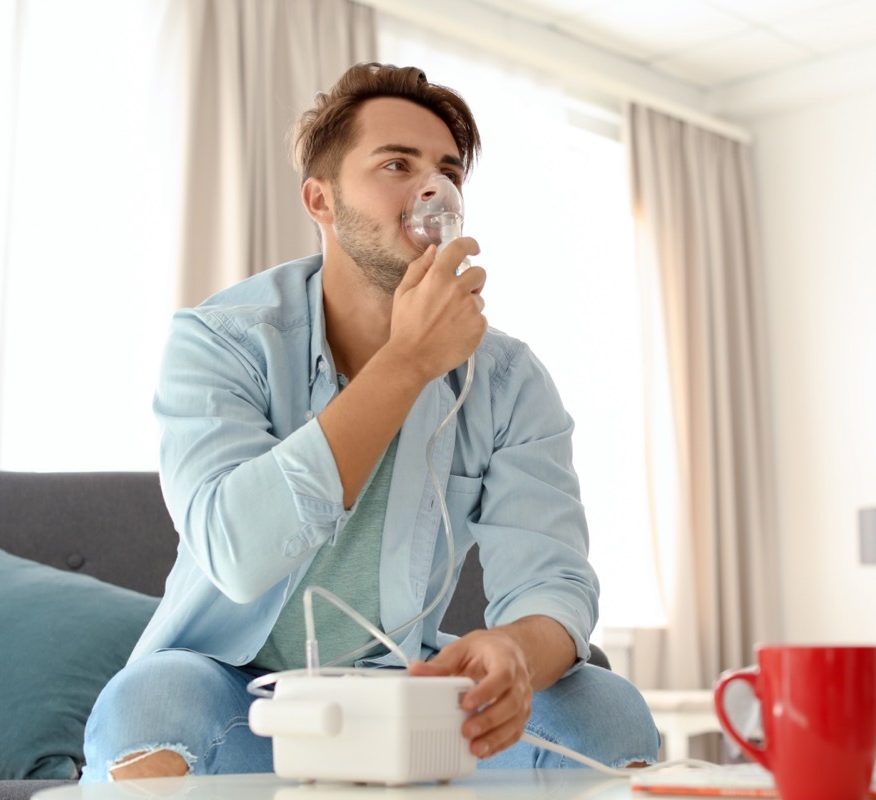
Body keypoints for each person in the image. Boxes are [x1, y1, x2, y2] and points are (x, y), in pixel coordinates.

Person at [81, 62, 659, 783]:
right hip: (239, 692)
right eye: (397, 164)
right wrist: (406, 364)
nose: (431, 189)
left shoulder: (506, 380)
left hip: (403, 696)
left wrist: (515, 649)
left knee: (606, 710)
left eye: (447, 170)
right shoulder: (221, 341)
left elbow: (553, 581)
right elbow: (237, 552)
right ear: (320, 200)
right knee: (150, 703)